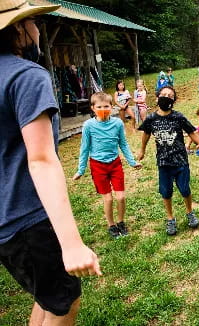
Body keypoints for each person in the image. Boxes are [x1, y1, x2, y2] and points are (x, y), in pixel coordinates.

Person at [0, 2, 101, 324]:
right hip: (28, 215)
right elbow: (42, 159)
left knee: (46, 298)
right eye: (32, 22)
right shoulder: (25, 75)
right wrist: (71, 244)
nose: (37, 30)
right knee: (64, 303)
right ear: (18, 29)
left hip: (5, 222)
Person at [137, 86, 199, 235]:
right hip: (163, 162)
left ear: (174, 100)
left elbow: (192, 133)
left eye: (170, 95)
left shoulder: (178, 117)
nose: (167, 96)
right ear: (157, 97)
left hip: (180, 160)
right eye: (164, 94)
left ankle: (190, 212)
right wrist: (142, 150)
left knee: (185, 189)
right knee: (166, 192)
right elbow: (146, 134)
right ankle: (170, 218)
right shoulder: (151, 119)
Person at [73, 92, 142, 238]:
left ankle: (121, 222)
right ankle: (111, 225)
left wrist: (132, 161)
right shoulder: (88, 126)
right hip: (98, 166)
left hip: (115, 164)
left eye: (106, 106)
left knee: (121, 197)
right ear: (93, 108)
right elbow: (84, 148)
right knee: (108, 199)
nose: (103, 109)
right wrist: (81, 169)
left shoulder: (117, 123)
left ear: (112, 107)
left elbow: (123, 144)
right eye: (99, 106)